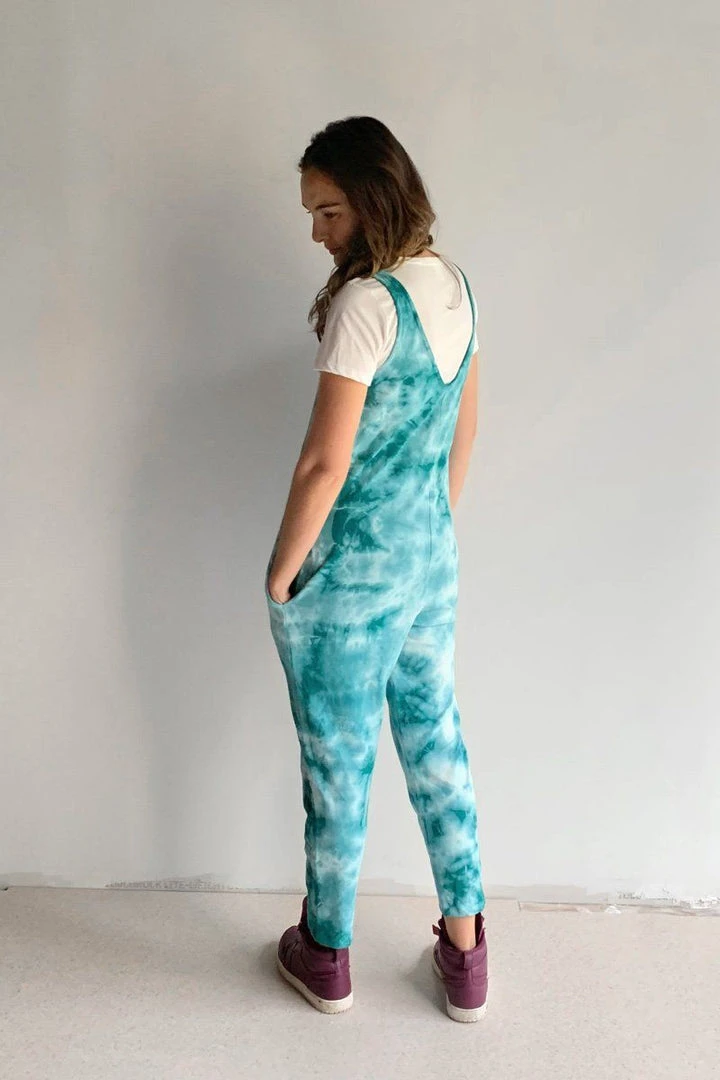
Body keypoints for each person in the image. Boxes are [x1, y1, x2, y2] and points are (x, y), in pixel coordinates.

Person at [264, 116, 488, 1022]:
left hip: (353, 579)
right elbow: (464, 435)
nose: (317, 233)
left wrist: (281, 575)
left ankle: (325, 952)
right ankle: (466, 957)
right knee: (438, 747)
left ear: (372, 200)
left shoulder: (368, 304)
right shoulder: (456, 286)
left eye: (328, 212)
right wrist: (427, 534)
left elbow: (323, 465)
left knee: (338, 762)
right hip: (430, 562)